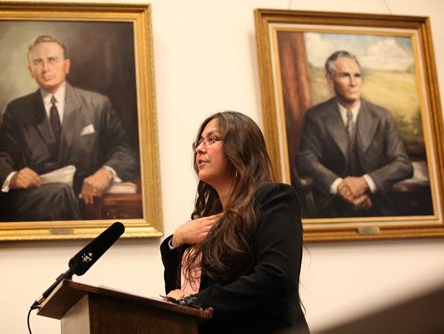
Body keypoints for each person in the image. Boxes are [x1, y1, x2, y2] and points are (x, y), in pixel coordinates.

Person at [160, 112, 309, 334]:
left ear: (240, 148)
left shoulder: (274, 198)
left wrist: (194, 302)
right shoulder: (205, 218)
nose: (199, 149)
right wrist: (175, 241)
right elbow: (177, 292)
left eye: (212, 139)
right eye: (199, 141)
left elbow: (275, 276)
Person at [0, 35, 139, 221]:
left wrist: (106, 172)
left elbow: (125, 152)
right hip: (34, 202)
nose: (45, 68)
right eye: (38, 62)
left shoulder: (97, 105)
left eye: (52, 60)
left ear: (66, 65)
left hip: (86, 200)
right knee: (59, 194)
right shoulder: (17, 110)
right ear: (30, 70)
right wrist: (13, 176)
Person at [295, 50, 413, 218]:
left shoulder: (382, 116)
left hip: (378, 203)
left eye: (357, 76)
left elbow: (403, 164)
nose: (353, 82)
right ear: (330, 80)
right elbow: (306, 159)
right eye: (345, 75)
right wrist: (340, 186)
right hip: (331, 204)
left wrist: (365, 183)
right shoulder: (316, 116)